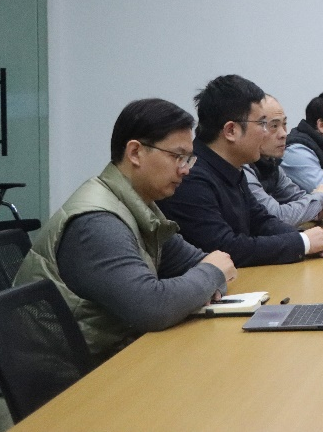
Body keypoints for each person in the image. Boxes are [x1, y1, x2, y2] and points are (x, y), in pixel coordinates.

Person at [14, 98, 237, 361]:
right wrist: (209, 276)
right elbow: (153, 308)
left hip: (109, 355)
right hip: (67, 375)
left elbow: (198, 263)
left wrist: (205, 278)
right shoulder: (97, 223)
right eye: (177, 157)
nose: (185, 170)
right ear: (135, 152)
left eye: (188, 159)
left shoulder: (139, 206)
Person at [159, 75, 323, 267]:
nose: (266, 133)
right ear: (231, 131)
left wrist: (306, 239)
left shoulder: (232, 167)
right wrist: (302, 243)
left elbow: (261, 221)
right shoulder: (191, 177)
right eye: (262, 124)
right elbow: (225, 247)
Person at [244, 95, 323, 227]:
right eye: (274, 125)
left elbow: (297, 197)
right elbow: (276, 216)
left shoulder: (271, 164)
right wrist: (320, 197)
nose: (283, 134)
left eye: (284, 124)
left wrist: (315, 210)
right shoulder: (243, 169)